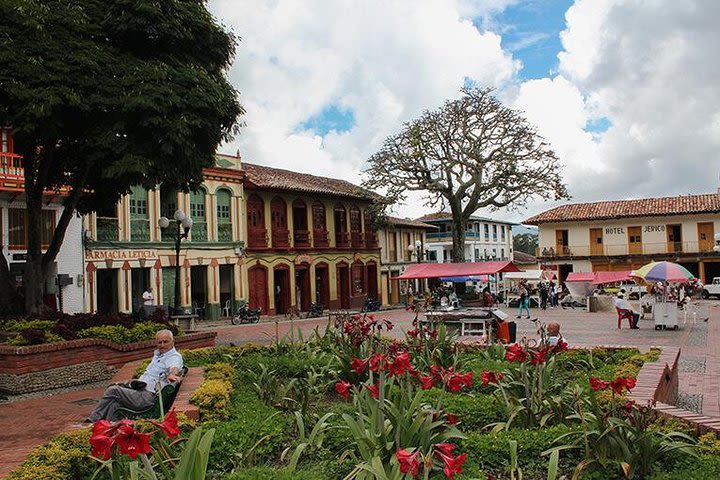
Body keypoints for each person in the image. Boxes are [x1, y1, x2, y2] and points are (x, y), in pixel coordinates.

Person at [86, 330, 183, 422]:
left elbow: (174, 367)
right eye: (159, 342)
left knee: (113, 390)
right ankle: (106, 427)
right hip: (141, 390)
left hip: (148, 398)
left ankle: (92, 420)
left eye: (165, 342)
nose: (162, 345)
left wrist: (172, 374)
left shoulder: (173, 357)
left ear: (173, 342)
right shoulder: (159, 355)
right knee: (114, 405)